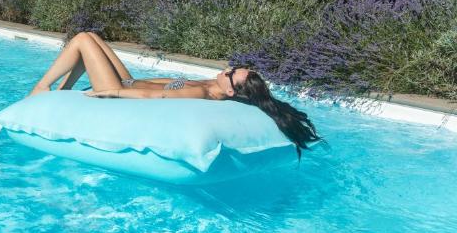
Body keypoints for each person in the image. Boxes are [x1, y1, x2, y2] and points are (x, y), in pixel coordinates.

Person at [30, 31, 321, 156]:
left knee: (81, 39)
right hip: (131, 80)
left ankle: (41, 88)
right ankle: (61, 90)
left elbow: (156, 98)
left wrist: (111, 91)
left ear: (231, 88)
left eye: (233, 73)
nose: (229, 68)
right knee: (91, 36)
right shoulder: (210, 85)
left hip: (122, 88)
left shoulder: (202, 94)